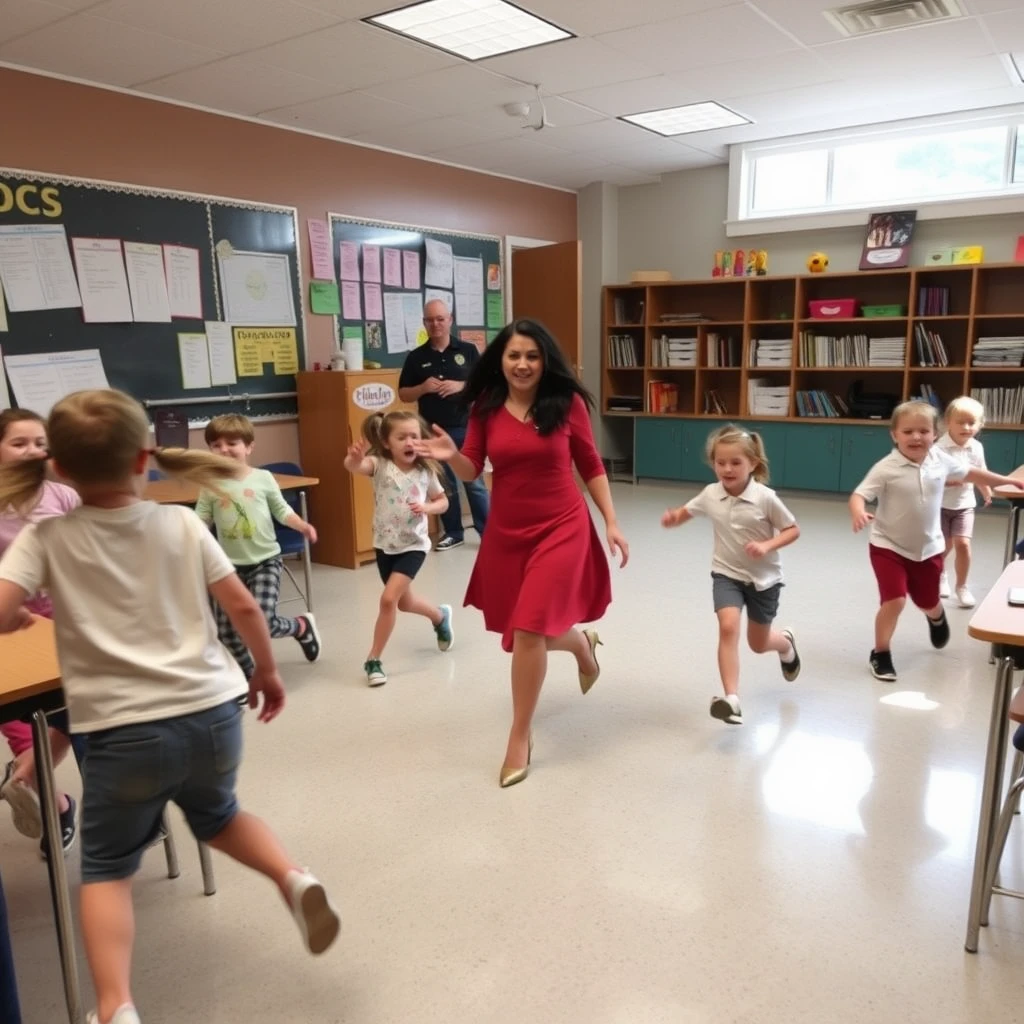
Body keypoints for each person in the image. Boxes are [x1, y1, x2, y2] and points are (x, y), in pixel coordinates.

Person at [0, 389, 340, 1024]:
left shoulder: (47, 538)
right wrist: (266, 672)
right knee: (220, 815)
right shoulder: (181, 521)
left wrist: (18, 613)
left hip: (121, 731)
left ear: (62, 471)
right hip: (213, 713)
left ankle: (115, 1005)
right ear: (143, 460)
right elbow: (242, 605)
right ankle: (292, 878)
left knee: (105, 867)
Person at [415, 318, 629, 787]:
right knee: (526, 630)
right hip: (509, 532)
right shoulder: (486, 406)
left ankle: (519, 734)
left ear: (544, 360)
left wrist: (610, 520)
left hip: (562, 526)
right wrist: (451, 453)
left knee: (528, 630)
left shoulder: (566, 403)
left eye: (532, 355)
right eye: (514, 355)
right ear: (501, 359)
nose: (523, 364)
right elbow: (471, 470)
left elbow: (589, 463)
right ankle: (580, 643)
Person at [849, 400, 1024, 682]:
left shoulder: (940, 460)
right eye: (908, 432)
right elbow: (859, 494)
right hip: (887, 546)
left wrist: (1006, 480)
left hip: (929, 548)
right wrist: (858, 511)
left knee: (927, 600)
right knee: (894, 600)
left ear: (934, 434)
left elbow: (970, 473)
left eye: (923, 431)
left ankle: (935, 616)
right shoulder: (886, 468)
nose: (916, 437)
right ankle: (881, 653)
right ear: (894, 435)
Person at [661, 425, 800, 726]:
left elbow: (792, 530)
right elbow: (689, 510)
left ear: (753, 464)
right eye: (720, 462)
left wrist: (767, 545)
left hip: (765, 580)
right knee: (727, 628)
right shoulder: (711, 494)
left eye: (736, 462)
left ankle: (785, 644)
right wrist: (675, 518)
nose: (727, 468)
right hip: (726, 573)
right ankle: (732, 699)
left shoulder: (765, 498)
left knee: (758, 644)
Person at [0, 407, 82, 856]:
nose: (32, 451)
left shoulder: (61, 497)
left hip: (61, 630)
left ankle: (23, 778)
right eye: (19, 443)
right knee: (22, 729)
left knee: (68, 719)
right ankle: (58, 808)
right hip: (10, 635)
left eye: (39, 444)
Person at [196, 414, 321, 678]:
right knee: (227, 632)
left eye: (232, 443)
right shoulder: (209, 482)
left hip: (266, 560)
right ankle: (249, 677)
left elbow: (281, 509)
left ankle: (300, 627)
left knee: (262, 621)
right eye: (216, 445)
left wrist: (302, 525)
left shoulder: (263, 478)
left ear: (249, 446)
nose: (224, 449)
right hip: (227, 568)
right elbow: (201, 520)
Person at [342, 410, 453, 686]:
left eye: (414, 436)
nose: (409, 442)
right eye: (401, 437)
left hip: (414, 545)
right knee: (404, 602)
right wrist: (353, 459)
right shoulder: (379, 464)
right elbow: (355, 467)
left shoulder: (426, 471)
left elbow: (442, 502)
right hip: (384, 545)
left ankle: (373, 659)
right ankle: (440, 616)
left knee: (388, 600)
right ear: (387, 442)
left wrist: (428, 507)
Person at [398, 299, 489, 551]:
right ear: (424, 323)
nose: (435, 324)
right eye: (430, 320)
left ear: (450, 319)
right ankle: (453, 532)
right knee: (443, 485)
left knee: (474, 482)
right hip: (431, 432)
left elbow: (485, 386)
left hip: (465, 428)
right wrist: (422, 388)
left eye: (440, 318)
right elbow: (404, 394)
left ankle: (488, 532)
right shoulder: (416, 358)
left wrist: (461, 386)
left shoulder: (468, 351)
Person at [936, 396, 991, 608]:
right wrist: (951, 482)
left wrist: (985, 491)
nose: (966, 427)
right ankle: (941, 576)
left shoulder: (976, 447)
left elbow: (981, 473)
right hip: (939, 506)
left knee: (963, 544)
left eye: (972, 423)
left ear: (980, 424)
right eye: (960, 422)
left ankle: (962, 586)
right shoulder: (939, 449)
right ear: (948, 422)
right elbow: (930, 479)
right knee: (943, 546)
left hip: (965, 506)